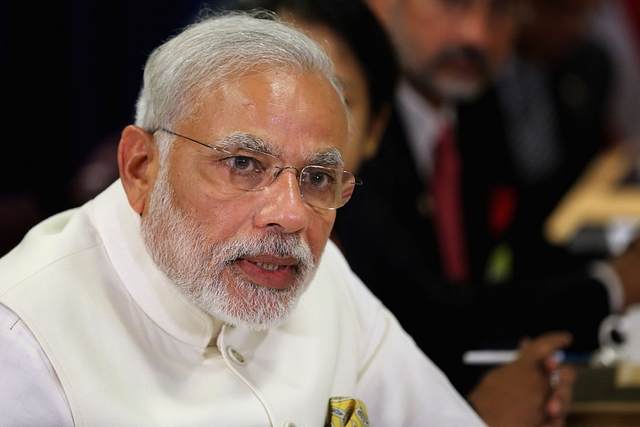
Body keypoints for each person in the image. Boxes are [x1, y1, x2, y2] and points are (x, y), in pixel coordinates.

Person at [0, 10, 499, 426]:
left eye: (318, 177)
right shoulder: (23, 341)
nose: (290, 214)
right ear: (141, 168)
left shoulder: (320, 279)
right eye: (243, 164)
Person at [333, 0, 640, 396]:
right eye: (451, 5)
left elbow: (518, 252)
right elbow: (424, 315)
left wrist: (614, 267)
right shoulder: (354, 129)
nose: (476, 35)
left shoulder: (475, 103)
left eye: (500, 10)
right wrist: (609, 285)